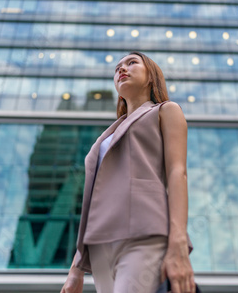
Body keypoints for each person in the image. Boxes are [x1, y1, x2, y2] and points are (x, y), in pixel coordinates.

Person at [60, 51, 196, 293]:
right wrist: (76, 269)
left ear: (152, 76)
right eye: (117, 68)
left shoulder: (166, 110)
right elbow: (92, 202)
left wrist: (178, 242)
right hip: (101, 245)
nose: (121, 69)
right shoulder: (106, 136)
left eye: (132, 63)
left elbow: (177, 172)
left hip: (144, 234)